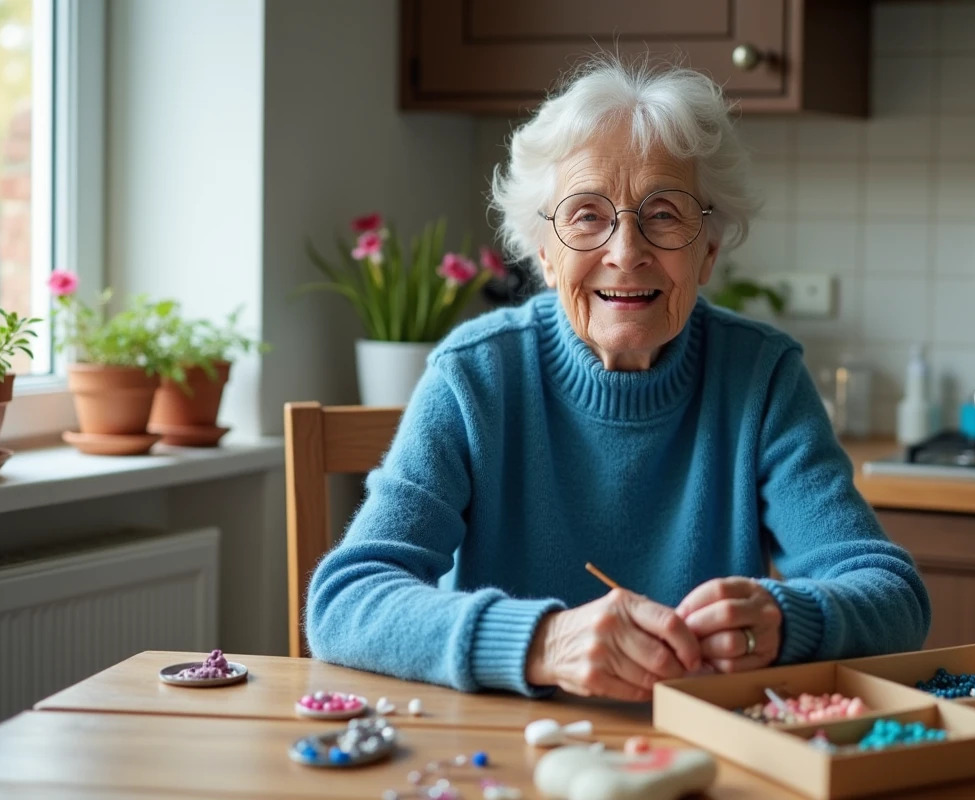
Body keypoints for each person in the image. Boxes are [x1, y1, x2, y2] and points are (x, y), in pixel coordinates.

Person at [306, 57, 931, 701]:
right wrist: (543, 641)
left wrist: (787, 621)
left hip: (698, 749)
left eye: (663, 214)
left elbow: (893, 596)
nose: (626, 251)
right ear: (545, 255)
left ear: (708, 251)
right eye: (585, 215)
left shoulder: (761, 379)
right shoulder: (476, 374)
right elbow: (346, 601)